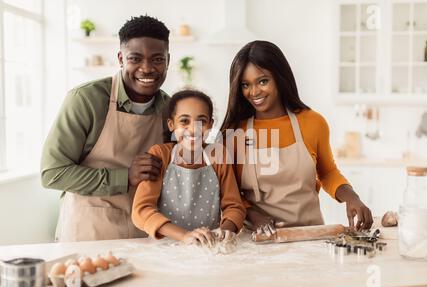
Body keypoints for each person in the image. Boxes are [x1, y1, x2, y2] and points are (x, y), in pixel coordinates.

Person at [220, 40, 373, 236]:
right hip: (258, 240)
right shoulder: (235, 133)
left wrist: (352, 197)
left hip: (310, 236)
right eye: (245, 84)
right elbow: (229, 193)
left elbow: (327, 172)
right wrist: (256, 217)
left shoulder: (313, 122)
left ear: (279, 77)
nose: (254, 92)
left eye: (263, 81)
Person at [41, 15, 171, 241]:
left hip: (145, 234)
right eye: (135, 58)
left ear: (168, 60)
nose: (147, 68)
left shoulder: (170, 108)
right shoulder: (86, 99)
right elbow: (52, 173)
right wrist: (125, 176)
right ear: (121, 58)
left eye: (157, 59)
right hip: (89, 233)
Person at [132, 90, 246, 246]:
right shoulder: (160, 155)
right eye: (184, 121)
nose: (193, 129)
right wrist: (185, 236)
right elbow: (141, 210)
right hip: (165, 248)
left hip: (209, 246)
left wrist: (225, 230)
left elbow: (234, 206)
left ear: (211, 125)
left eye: (202, 121)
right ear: (171, 124)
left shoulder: (218, 155)